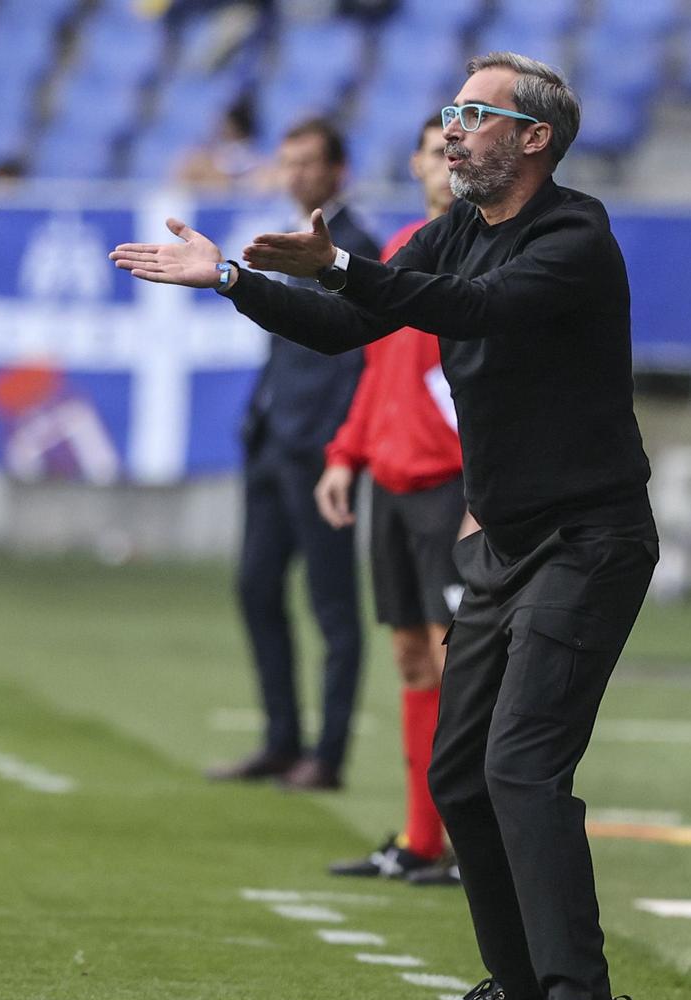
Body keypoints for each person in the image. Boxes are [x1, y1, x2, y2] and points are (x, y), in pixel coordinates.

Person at [112, 52, 656, 1000]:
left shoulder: (574, 233)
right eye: (446, 111)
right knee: (458, 773)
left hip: (587, 537)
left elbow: (472, 311)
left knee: (522, 764)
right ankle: (520, 984)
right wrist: (229, 278)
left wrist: (342, 267)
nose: (448, 129)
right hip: (505, 538)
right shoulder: (453, 229)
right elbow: (342, 326)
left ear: (531, 139)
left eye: (471, 113)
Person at [204, 118, 376, 793]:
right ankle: (281, 739)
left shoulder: (354, 248)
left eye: (310, 162)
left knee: (333, 604)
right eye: (289, 162)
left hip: (319, 451)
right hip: (272, 440)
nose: (298, 174)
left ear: (340, 171)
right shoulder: (283, 243)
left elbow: (358, 356)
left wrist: (340, 444)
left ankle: (327, 755)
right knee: (255, 587)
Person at [316, 114, 466, 883]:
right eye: (435, 150)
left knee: (464, 665)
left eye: (458, 149)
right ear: (414, 163)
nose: (447, 162)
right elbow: (380, 371)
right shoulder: (406, 247)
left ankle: (478, 848)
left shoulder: (484, 252)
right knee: (412, 656)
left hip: (455, 487)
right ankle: (419, 838)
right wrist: (346, 453)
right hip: (393, 483)